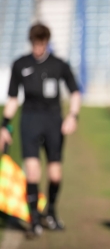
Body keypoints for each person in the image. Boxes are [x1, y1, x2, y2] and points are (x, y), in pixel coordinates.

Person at [0, 23, 80, 238]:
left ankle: (51, 213)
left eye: (41, 43)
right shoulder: (20, 64)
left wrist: (73, 116)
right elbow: (13, 98)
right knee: (33, 171)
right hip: (30, 119)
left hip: (53, 121)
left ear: (46, 43)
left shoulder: (59, 65)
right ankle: (34, 219)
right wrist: (5, 125)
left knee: (55, 174)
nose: (38, 48)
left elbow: (75, 92)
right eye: (35, 43)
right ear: (31, 42)